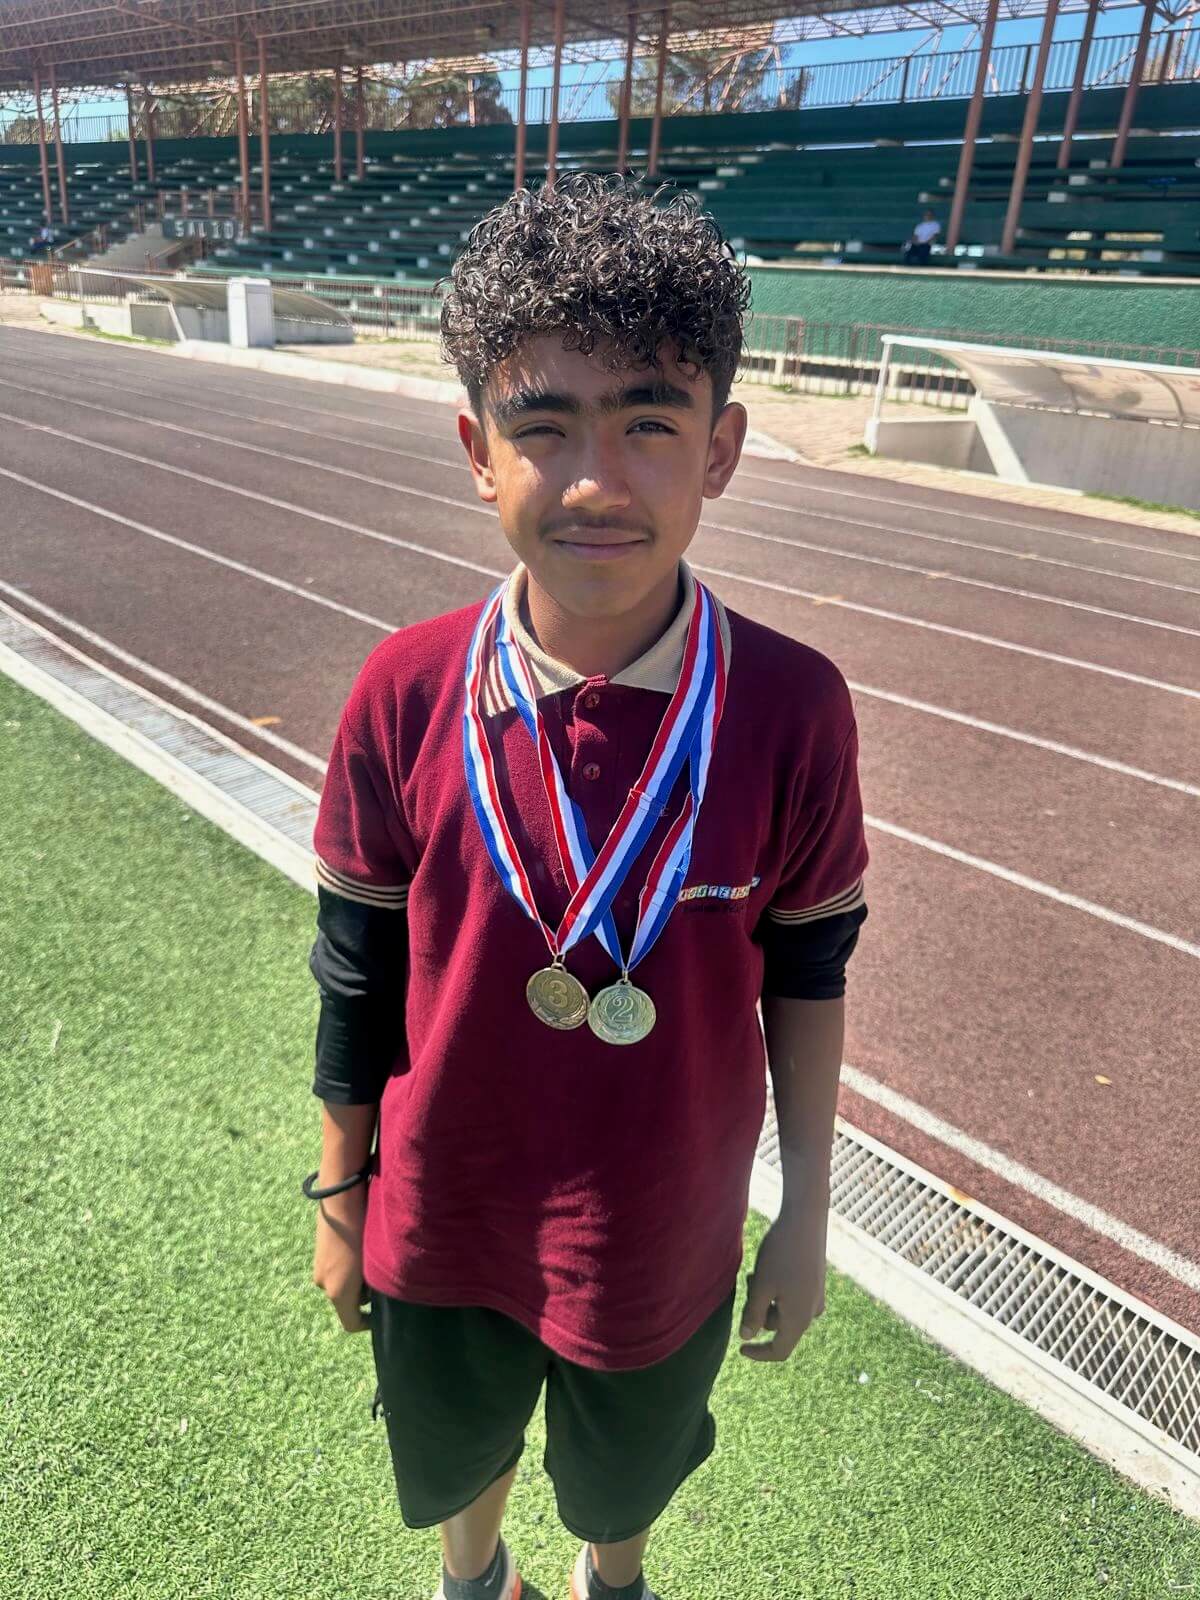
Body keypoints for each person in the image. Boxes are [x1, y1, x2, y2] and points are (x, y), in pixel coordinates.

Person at [306, 171, 870, 1600]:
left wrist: (800, 1213)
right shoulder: (405, 688)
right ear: (476, 451)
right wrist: (339, 1192)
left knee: (626, 1473)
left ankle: (609, 1581)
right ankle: (472, 1578)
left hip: (664, 1220)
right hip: (444, 1204)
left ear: (723, 448)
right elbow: (355, 970)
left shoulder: (792, 706)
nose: (598, 480)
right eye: (543, 427)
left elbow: (809, 972)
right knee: (457, 1450)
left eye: (649, 425)